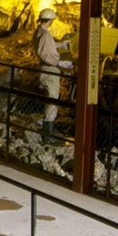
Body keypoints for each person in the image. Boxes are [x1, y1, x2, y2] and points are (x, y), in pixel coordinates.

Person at [32, 8, 73, 144]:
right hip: (50, 69)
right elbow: (45, 53)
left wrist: (61, 44)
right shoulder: (45, 35)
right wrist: (60, 62)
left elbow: (47, 46)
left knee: (51, 100)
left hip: (45, 68)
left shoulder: (39, 32)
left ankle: (48, 132)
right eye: (52, 20)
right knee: (52, 101)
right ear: (50, 20)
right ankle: (48, 135)